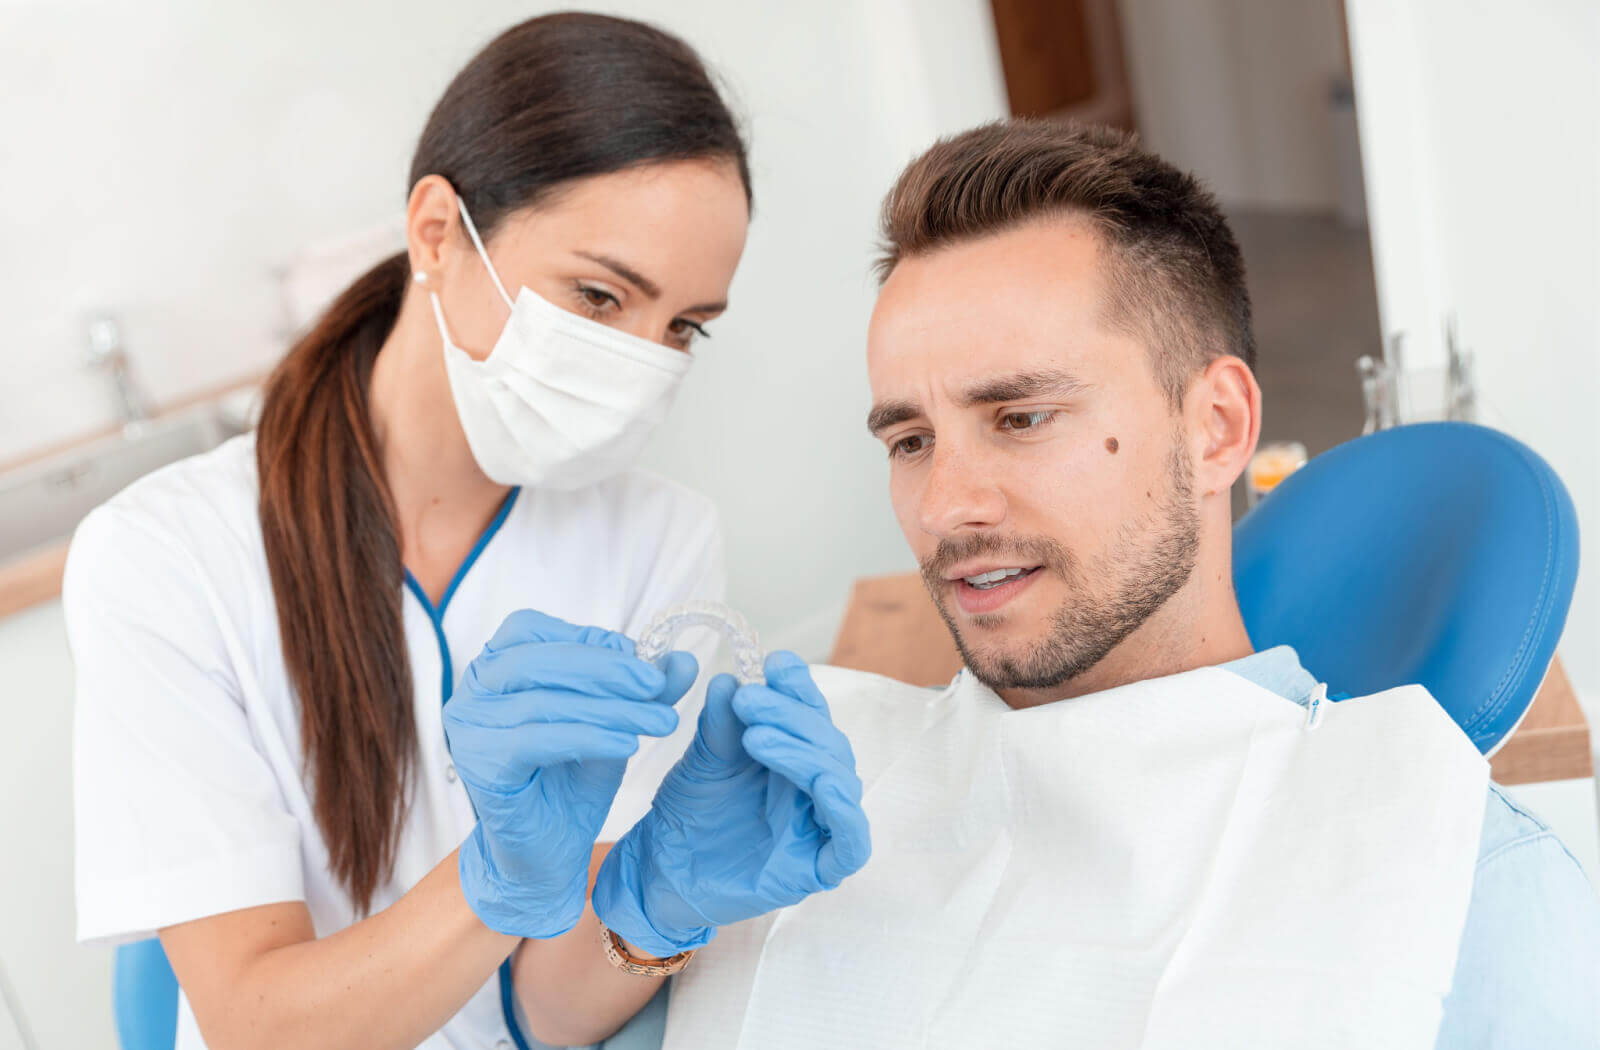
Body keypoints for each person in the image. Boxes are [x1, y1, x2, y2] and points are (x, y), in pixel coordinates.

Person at [649, 121, 1600, 1048]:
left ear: (1218, 429)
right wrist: (628, 920)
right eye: (910, 441)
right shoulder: (799, 819)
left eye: (1020, 418)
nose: (944, 507)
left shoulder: (1452, 892)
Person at [66, 13, 864, 1050]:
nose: (641, 364)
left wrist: (659, 901)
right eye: (598, 295)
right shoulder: (167, 560)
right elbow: (254, 1024)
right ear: (438, 232)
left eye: (682, 327)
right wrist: (491, 882)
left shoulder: (658, 541)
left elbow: (546, 1011)